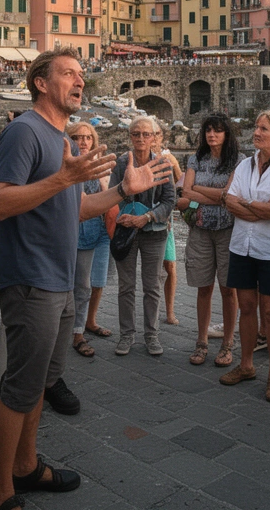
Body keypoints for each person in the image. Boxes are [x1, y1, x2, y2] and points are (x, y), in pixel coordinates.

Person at [0, 47, 170, 510]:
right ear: (41, 82)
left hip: (59, 279)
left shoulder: (60, 137)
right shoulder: (25, 131)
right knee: (20, 387)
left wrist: (123, 190)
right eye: (68, 73)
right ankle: (1, 492)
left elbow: (78, 208)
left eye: (81, 74)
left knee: (40, 383)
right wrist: (63, 180)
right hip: (30, 278)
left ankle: (26, 466)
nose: (79, 80)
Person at [219, 111, 270, 403]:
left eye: (263, 128)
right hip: (242, 246)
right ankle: (246, 366)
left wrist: (246, 204)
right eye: (256, 127)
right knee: (246, 307)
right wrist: (258, 207)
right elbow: (229, 201)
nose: (256, 132)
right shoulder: (244, 165)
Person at [113, 115, 178, 356]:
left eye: (146, 134)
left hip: (155, 232)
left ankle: (151, 334)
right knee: (126, 286)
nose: (141, 138)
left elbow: (170, 200)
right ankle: (126, 335)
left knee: (152, 286)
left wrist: (147, 217)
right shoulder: (122, 163)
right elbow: (111, 195)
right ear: (130, 136)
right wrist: (125, 215)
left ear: (154, 137)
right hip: (126, 230)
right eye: (136, 134)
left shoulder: (163, 164)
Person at [182, 114, 241, 368]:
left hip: (228, 230)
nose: (211, 134)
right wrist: (218, 197)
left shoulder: (238, 161)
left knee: (229, 289)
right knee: (203, 287)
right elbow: (185, 193)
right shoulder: (195, 159)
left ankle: (228, 342)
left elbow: (230, 195)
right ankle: (202, 340)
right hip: (200, 229)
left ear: (226, 134)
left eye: (217, 130)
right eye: (208, 130)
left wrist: (199, 190)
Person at [69, 121, 112, 358]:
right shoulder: (67, 164)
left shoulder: (99, 164)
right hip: (77, 228)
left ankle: (88, 321)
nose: (83, 141)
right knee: (81, 284)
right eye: (77, 137)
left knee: (98, 280)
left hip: (100, 226)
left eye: (87, 137)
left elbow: (107, 192)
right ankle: (76, 332)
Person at [156, 125, 184, 325]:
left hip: (166, 219)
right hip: (145, 214)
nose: (153, 138)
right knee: (151, 268)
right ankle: (153, 309)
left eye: (157, 134)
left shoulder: (169, 158)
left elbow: (182, 184)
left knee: (170, 264)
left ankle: (170, 311)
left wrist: (174, 164)